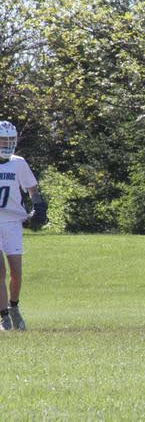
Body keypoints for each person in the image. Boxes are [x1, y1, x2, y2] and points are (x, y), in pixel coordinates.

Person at [0, 121, 48, 331]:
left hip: (13, 222)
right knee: (0, 272)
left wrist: (39, 207)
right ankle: (3, 316)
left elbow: (32, 189)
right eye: (3, 140)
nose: (7, 144)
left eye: (10, 140)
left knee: (16, 273)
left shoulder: (18, 163)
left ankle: (14, 307)